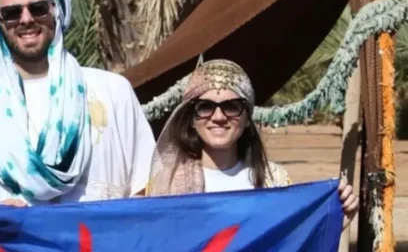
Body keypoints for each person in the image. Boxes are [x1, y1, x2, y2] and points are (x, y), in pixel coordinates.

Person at [0, 0, 155, 205]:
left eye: (38, 8)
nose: (26, 19)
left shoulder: (111, 91)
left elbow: (148, 184)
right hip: (14, 243)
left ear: (56, 11)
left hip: (104, 241)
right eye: (12, 12)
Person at [146, 59, 359, 223]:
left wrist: (336, 219)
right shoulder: (166, 185)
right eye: (205, 107)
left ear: (248, 118)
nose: (218, 117)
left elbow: (292, 247)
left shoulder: (274, 181)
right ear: (191, 119)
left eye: (231, 106)